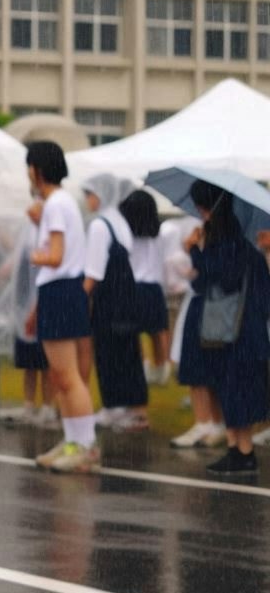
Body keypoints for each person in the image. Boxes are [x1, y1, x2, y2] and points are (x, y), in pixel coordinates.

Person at [186, 181, 270, 478]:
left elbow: (207, 282)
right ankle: (236, 449)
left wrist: (195, 253)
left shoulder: (223, 246)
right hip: (249, 333)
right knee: (236, 391)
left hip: (233, 334)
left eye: (201, 206)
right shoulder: (247, 247)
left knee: (233, 390)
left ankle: (243, 453)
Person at [25, 141, 99, 473]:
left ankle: (85, 445)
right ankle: (72, 441)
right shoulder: (56, 204)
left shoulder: (55, 204)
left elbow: (53, 256)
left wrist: (36, 255)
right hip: (59, 291)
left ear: (37, 170)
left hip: (61, 289)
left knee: (68, 376)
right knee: (60, 375)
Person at [81, 174, 148, 432]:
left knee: (109, 353)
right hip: (127, 296)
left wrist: (80, 300)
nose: (87, 200)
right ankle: (130, 406)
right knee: (127, 352)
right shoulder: (119, 221)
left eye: (90, 194)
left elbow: (94, 272)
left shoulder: (100, 225)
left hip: (109, 299)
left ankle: (114, 406)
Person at [168, 215, 227, 449]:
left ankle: (205, 422)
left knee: (197, 367)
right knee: (208, 368)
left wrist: (192, 248)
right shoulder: (225, 234)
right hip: (212, 306)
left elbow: (199, 274)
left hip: (205, 305)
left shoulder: (217, 237)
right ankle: (215, 422)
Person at [7, 201, 55, 427]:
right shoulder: (28, 234)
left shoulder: (50, 236)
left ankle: (47, 406)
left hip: (42, 304)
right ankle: (28, 404)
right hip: (24, 303)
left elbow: (44, 275)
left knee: (45, 361)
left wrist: (35, 309)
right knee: (28, 361)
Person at [120, 189, 172, 386]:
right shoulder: (159, 233)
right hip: (154, 287)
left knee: (133, 332)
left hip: (132, 288)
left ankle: (142, 365)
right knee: (157, 331)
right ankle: (161, 367)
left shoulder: (125, 234)